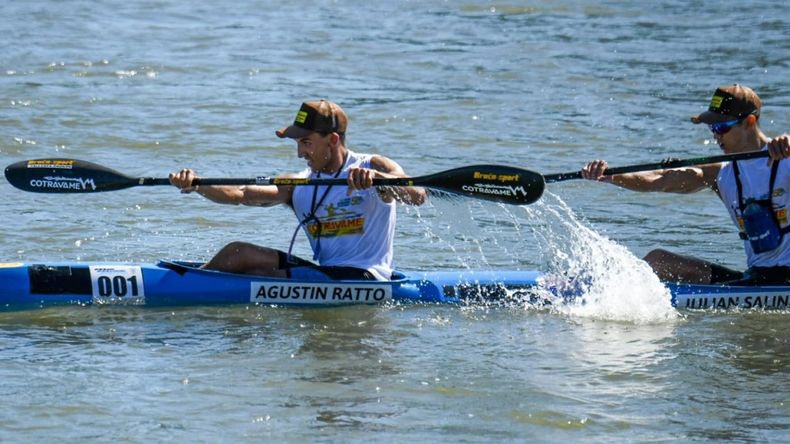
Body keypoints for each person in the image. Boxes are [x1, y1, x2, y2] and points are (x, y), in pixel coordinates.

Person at [169, 100, 426, 281]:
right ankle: (188, 282)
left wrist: (381, 181)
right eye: (298, 143)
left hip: (366, 277)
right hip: (327, 274)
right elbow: (242, 194)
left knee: (256, 272)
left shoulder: (372, 166)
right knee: (238, 254)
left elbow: (418, 195)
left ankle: (184, 287)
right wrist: (198, 184)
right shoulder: (300, 184)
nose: (300, 152)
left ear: (333, 139)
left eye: (306, 142)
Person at [581, 84, 790, 285]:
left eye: (721, 127)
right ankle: (594, 288)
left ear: (749, 121)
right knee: (657, 261)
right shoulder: (719, 172)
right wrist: (611, 176)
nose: (716, 135)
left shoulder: (786, 158)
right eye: (712, 128)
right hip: (756, 276)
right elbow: (659, 179)